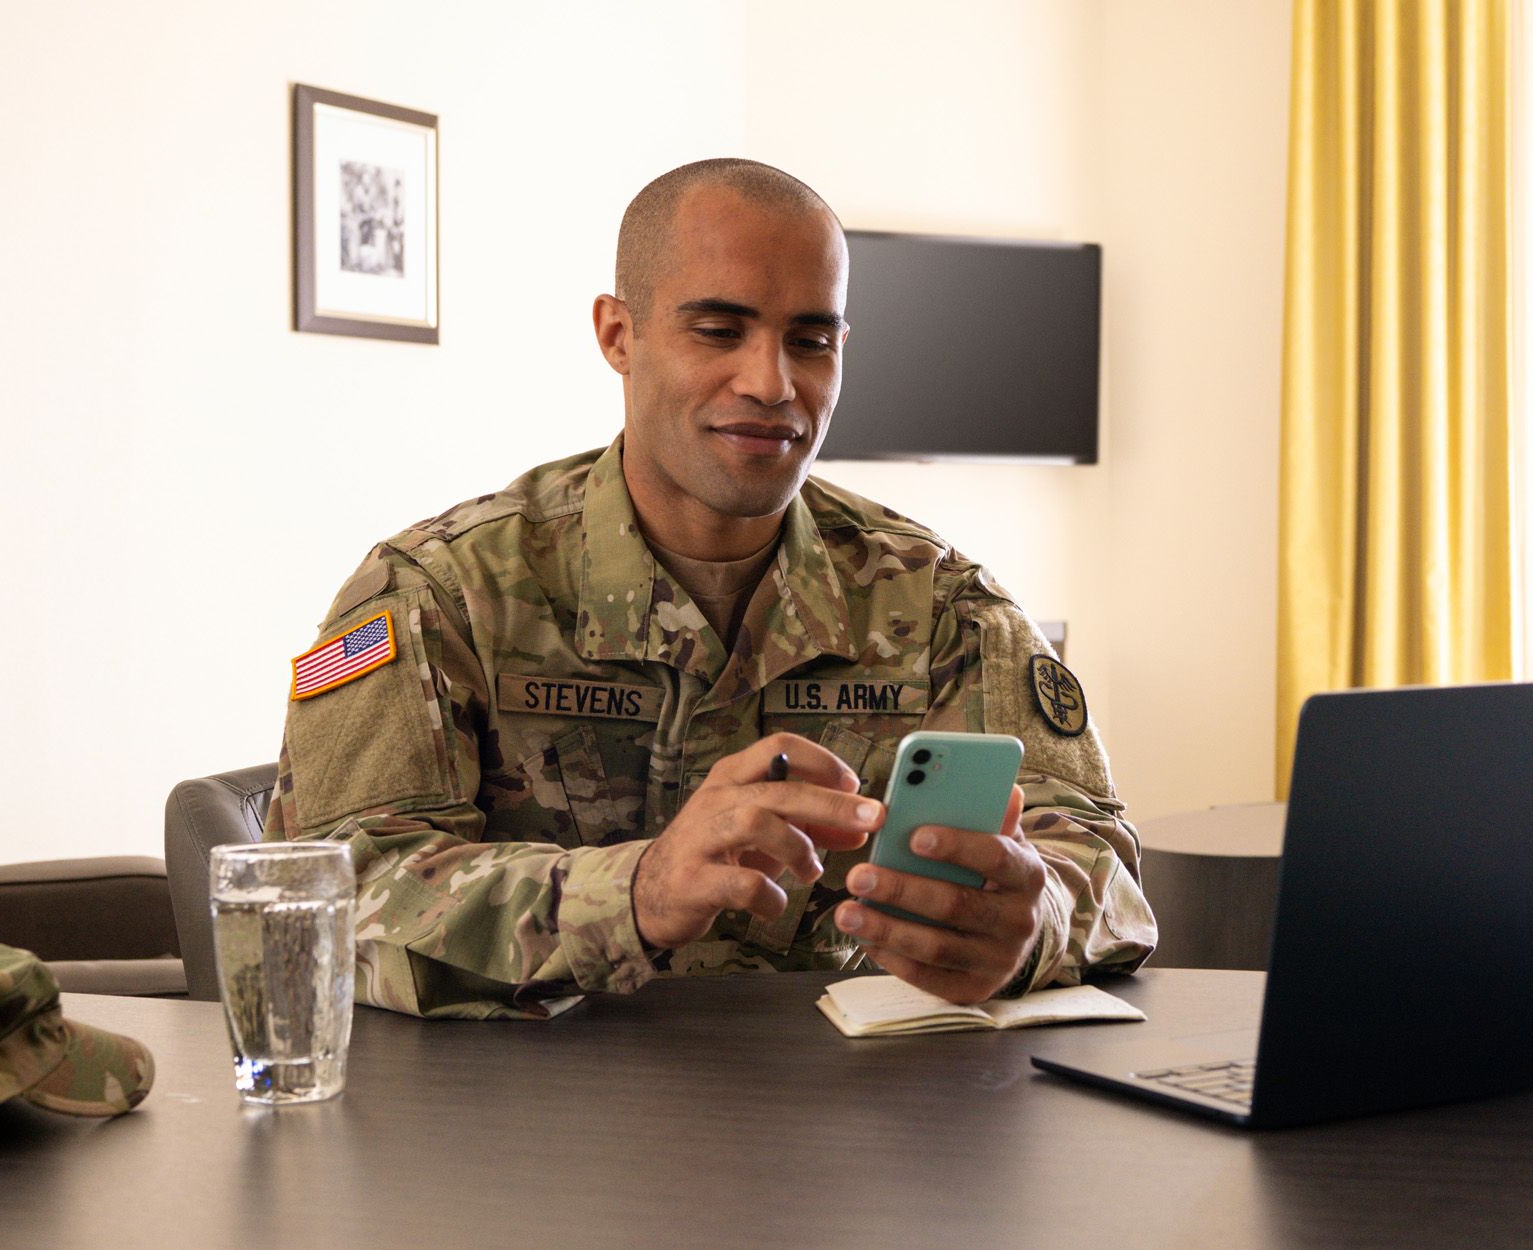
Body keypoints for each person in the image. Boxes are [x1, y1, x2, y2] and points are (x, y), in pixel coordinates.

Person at [266, 158, 1156, 1020]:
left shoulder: (935, 604)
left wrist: (1028, 922)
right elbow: (323, 901)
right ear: (619, 334)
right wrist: (636, 893)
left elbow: (1101, 858)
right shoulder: (441, 593)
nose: (772, 384)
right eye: (718, 330)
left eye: (811, 341)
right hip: (526, 1135)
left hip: (845, 1127)